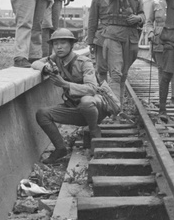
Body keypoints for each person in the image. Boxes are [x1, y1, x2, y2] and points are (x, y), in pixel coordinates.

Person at [32, 28, 116, 164]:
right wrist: (44, 68)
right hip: (75, 109)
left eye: (63, 43)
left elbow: (92, 89)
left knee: (86, 101)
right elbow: (35, 63)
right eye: (55, 44)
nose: (58, 47)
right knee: (42, 114)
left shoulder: (84, 62)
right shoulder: (56, 59)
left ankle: (94, 131)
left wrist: (65, 84)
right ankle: (60, 148)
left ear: (71, 45)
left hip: (95, 109)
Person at [102, 0, 145, 103]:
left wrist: (138, 18)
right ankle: (114, 108)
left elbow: (143, 14)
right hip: (114, 35)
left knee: (124, 74)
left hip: (131, 37)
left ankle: (117, 106)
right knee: (115, 74)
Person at [144, 0, 174, 110]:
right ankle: (162, 98)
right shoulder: (154, 3)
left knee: (173, 68)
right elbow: (149, 21)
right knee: (161, 68)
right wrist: (150, 32)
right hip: (158, 38)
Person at [87, 0, 117, 83]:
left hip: (118, 36)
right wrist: (91, 41)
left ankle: (116, 97)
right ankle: (104, 94)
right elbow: (92, 21)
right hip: (102, 38)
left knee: (117, 69)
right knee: (102, 68)